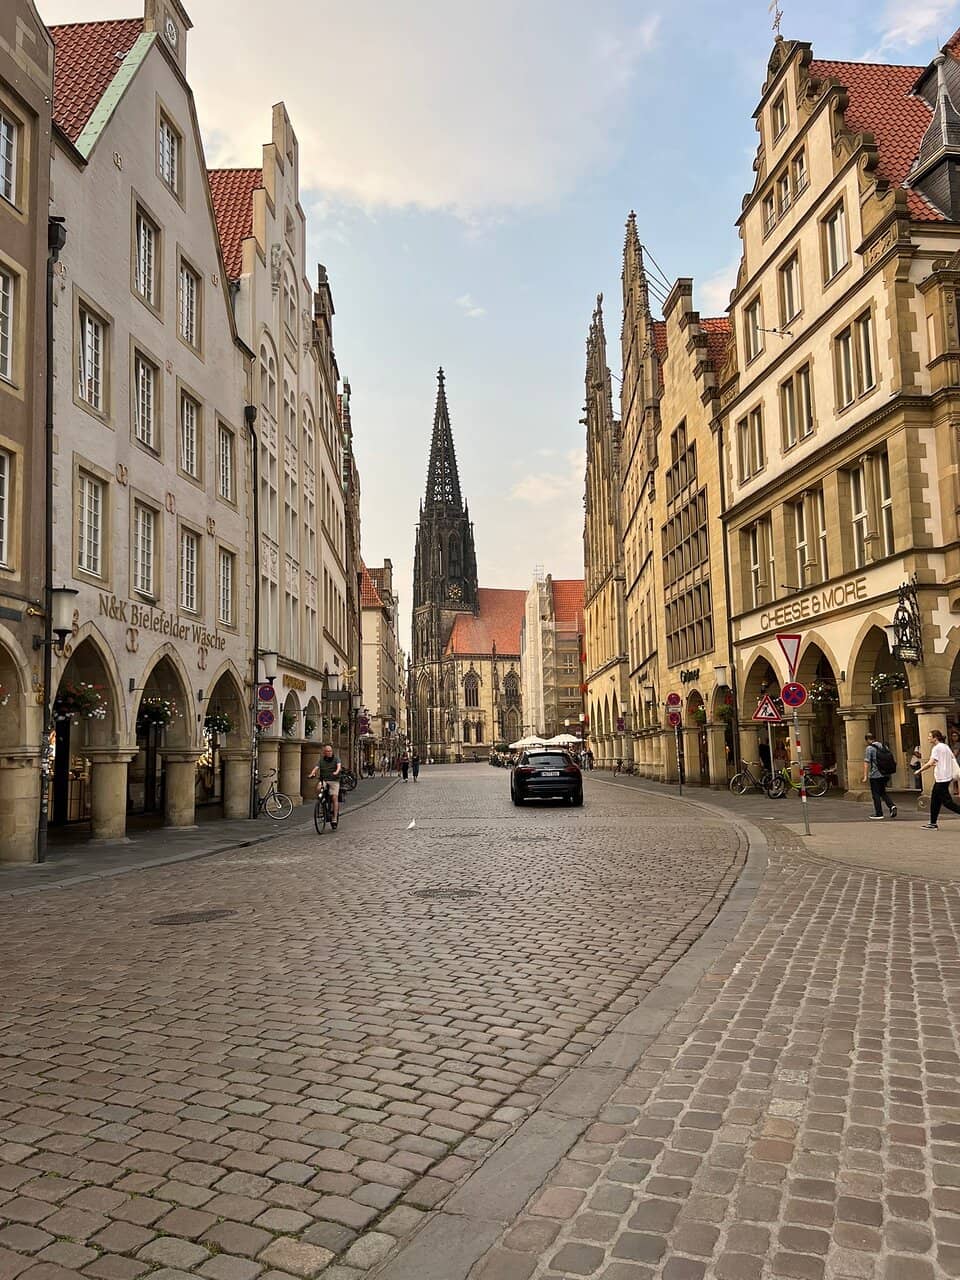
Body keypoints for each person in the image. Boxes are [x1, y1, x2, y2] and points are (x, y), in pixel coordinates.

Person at [918, 729, 960, 828]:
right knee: (935, 801)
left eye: (930, 736)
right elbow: (950, 759)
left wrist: (920, 770)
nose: (928, 738)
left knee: (947, 803)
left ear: (935, 738)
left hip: (941, 778)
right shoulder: (945, 747)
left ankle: (933, 823)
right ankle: (933, 823)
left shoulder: (936, 748)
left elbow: (930, 762)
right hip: (945, 777)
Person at [862, 733, 896, 820]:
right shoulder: (883, 746)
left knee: (876, 794)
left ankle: (879, 813)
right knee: (883, 792)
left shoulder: (869, 748)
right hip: (885, 774)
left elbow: (866, 762)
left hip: (875, 775)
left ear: (867, 740)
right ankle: (891, 806)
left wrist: (865, 776)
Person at [308, 743, 342, 829]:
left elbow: (338, 766)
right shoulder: (321, 760)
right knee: (318, 788)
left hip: (334, 780)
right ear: (324, 752)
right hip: (324, 780)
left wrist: (336, 772)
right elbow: (316, 768)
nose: (329, 752)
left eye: (330, 751)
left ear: (332, 751)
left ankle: (334, 817)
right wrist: (312, 773)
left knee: (334, 797)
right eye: (327, 751)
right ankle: (322, 802)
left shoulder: (336, 759)